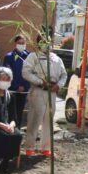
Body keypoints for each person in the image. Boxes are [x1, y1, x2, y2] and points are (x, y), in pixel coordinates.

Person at [22, 28, 67, 157]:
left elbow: (64, 75)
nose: (46, 43)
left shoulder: (57, 59)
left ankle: (45, 147)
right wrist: (40, 82)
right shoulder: (33, 56)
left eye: (48, 41)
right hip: (38, 90)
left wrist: (59, 85)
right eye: (43, 41)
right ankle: (30, 146)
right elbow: (25, 72)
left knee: (49, 119)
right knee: (34, 119)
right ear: (39, 42)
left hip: (52, 92)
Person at [3, 35, 30, 128]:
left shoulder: (29, 56)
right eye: (19, 43)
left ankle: (17, 132)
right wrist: (16, 86)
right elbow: (7, 74)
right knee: (10, 112)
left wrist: (24, 86)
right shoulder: (9, 57)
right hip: (12, 90)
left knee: (19, 112)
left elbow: (30, 73)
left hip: (24, 91)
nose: (21, 45)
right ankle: (9, 131)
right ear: (15, 44)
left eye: (23, 43)